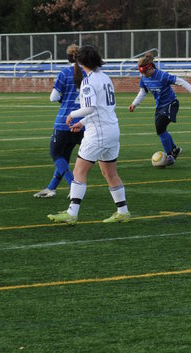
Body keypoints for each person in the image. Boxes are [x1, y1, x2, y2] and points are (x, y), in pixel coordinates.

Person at [47, 44, 130, 225]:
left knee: (79, 171)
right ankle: (123, 211)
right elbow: (102, 108)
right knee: (109, 173)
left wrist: (72, 115)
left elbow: (90, 108)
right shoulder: (106, 78)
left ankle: (72, 213)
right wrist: (82, 122)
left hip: (98, 133)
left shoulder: (88, 81)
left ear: (80, 61)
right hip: (112, 130)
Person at [128, 52, 191, 164]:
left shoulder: (162, 76)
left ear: (150, 68)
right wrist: (134, 104)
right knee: (161, 131)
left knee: (160, 127)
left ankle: (169, 156)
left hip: (171, 104)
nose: (143, 75)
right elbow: (143, 91)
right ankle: (174, 150)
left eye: (145, 72)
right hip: (159, 106)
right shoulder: (144, 78)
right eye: (142, 73)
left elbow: (181, 81)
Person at [34, 44, 84, 198]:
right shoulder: (88, 74)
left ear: (68, 57)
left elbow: (53, 97)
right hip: (83, 123)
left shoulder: (64, 73)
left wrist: (64, 99)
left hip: (64, 122)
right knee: (65, 155)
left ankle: (73, 185)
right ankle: (51, 188)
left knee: (55, 153)